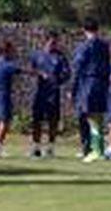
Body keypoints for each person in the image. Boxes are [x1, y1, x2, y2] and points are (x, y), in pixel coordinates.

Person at [71, 19, 111, 163]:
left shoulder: (84, 47)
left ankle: (94, 150)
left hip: (88, 83)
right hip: (101, 83)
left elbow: (77, 67)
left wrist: (73, 87)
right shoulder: (104, 46)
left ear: (83, 29)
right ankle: (95, 148)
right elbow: (108, 66)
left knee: (89, 116)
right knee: (97, 117)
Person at [29, 30, 70, 159]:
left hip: (54, 93)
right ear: (45, 41)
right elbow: (31, 69)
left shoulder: (60, 57)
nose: (54, 44)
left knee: (53, 121)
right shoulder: (37, 55)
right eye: (51, 41)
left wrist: (58, 80)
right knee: (37, 121)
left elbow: (67, 73)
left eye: (55, 41)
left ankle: (50, 148)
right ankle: (36, 147)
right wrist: (39, 73)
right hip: (40, 93)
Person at [0, 40, 22, 159]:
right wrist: (39, 73)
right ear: (7, 51)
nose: (13, 52)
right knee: (4, 122)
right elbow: (21, 70)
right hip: (3, 94)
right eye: (12, 50)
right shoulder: (8, 64)